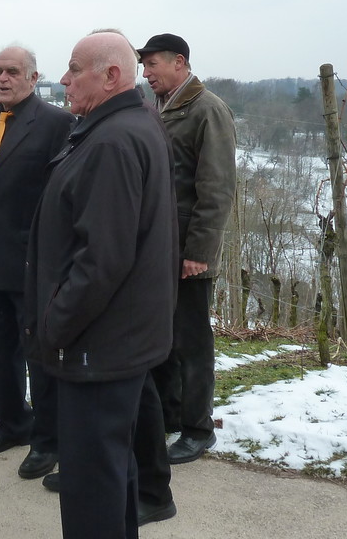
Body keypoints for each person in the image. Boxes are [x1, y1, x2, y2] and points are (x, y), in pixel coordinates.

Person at [26, 31, 176, 538]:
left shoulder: (113, 141)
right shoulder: (123, 126)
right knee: (114, 471)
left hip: (96, 344)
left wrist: (54, 326)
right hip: (115, 340)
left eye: (73, 69)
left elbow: (102, 261)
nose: (64, 80)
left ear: (111, 75)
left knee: (92, 484)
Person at [0, 46, 75, 481]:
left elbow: (62, 196)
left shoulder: (56, 123)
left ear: (33, 79)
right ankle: (11, 424)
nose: (1, 79)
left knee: (38, 357)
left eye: (12, 72)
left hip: (32, 263)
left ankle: (47, 441)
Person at [138, 32, 237, 464]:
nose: (147, 73)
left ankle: (199, 429)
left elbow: (215, 189)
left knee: (193, 342)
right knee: (162, 336)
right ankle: (170, 416)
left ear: (179, 62)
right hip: (159, 247)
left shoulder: (207, 110)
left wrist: (199, 252)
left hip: (188, 252)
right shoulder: (158, 107)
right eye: (143, 66)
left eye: (153, 65)